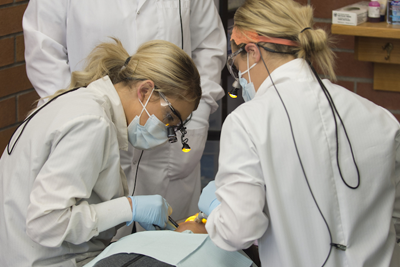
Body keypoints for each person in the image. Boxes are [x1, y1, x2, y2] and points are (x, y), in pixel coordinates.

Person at [197, 0, 400, 266]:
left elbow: (238, 231)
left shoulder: (247, 122)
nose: (240, 78)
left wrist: (217, 211)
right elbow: (394, 217)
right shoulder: (380, 118)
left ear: (252, 52)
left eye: (236, 64)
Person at [22, 1, 227, 233]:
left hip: (169, 144)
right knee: (96, 231)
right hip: (90, 127)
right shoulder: (85, 123)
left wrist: (191, 119)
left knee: (173, 242)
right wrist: (77, 109)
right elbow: (43, 47)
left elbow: (209, 46)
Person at [0, 38, 202, 267]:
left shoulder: (81, 103)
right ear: (145, 90)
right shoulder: (92, 122)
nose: (167, 132)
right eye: (168, 118)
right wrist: (129, 208)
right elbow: (46, 223)